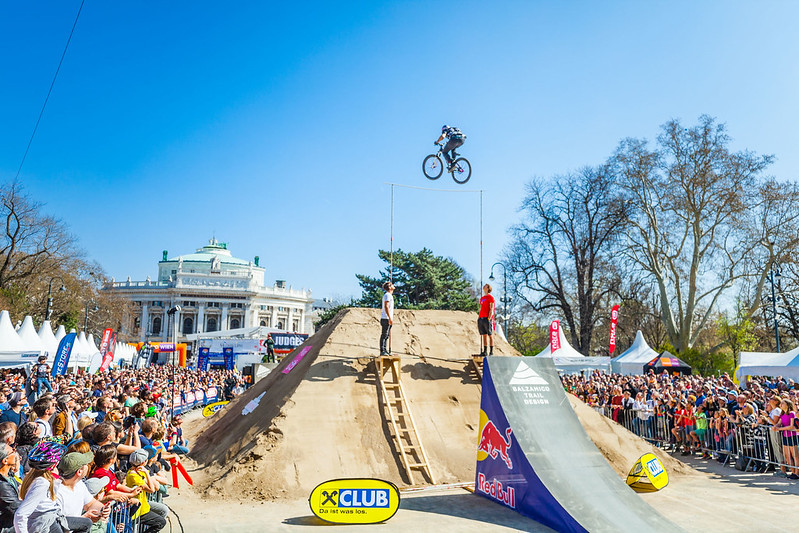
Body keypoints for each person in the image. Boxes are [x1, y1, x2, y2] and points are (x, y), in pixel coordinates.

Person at [14, 440, 68, 533]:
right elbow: (20, 515)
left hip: (50, 518)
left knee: (86, 523)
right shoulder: (42, 483)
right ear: (54, 464)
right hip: (44, 522)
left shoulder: (33, 477)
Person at [56, 451, 109, 533]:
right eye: (86, 464)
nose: (88, 466)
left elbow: (91, 504)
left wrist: (102, 510)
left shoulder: (79, 484)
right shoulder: (56, 491)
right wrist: (83, 519)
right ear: (79, 471)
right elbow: (57, 524)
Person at [126, 449, 167, 533]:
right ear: (143, 462)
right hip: (137, 510)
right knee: (160, 522)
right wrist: (148, 474)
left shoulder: (138, 472)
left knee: (161, 519)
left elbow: (156, 487)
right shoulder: (134, 476)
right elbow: (152, 489)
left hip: (143, 507)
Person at [0, 442, 20, 532]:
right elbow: (17, 509)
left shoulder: (8, 475)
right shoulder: (2, 485)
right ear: (5, 461)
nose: (15, 453)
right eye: (12, 451)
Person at [478, 284, 495, 356]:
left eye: (485, 286)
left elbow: (491, 307)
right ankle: (485, 351)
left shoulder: (490, 297)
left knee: (490, 334)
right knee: (484, 335)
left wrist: (489, 317)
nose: (484, 287)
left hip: (487, 318)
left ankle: (491, 351)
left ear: (488, 288)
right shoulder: (482, 298)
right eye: (484, 286)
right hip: (481, 317)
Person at [379, 282, 395, 356]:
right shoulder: (387, 295)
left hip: (387, 318)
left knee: (387, 335)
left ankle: (385, 350)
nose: (393, 286)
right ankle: (382, 350)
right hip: (386, 318)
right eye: (392, 285)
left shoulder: (389, 295)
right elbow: (386, 306)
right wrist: (389, 317)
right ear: (389, 287)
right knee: (384, 335)